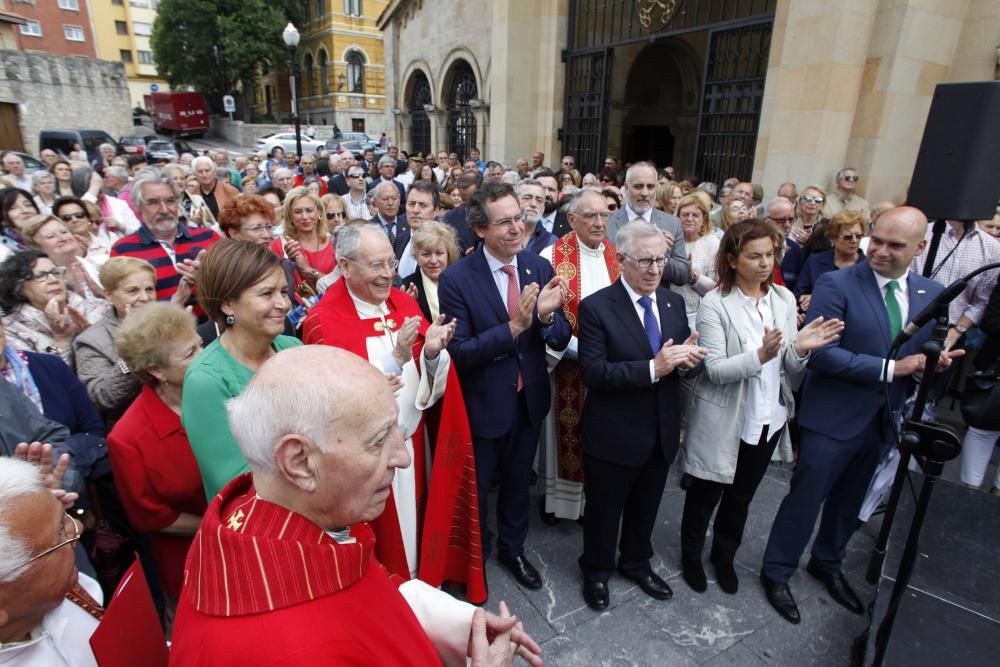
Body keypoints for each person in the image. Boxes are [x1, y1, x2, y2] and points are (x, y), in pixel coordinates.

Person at [169, 346, 542, 666]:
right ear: (299, 462)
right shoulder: (288, 652)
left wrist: (460, 621)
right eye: (379, 440)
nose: (403, 458)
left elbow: (366, 590)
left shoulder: (276, 511)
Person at [760, 206, 958, 624]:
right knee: (806, 497)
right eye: (877, 240)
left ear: (920, 248)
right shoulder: (837, 284)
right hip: (833, 417)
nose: (881, 251)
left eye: (895, 245)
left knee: (851, 501)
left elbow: (917, 352)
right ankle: (777, 571)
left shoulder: (930, 292)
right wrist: (893, 368)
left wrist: (932, 362)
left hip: (883, 420)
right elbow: (822, 355)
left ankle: (827, 563)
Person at [302, 223, 485, 601]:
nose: (387, 274)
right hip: (368, 459)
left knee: (418, 523)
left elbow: (430, 380)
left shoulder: (404, 303)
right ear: (345, 266)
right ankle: (393, 597)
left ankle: (426, 585)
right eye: (375, 266)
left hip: (416, 444)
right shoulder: (323, 322)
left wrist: (432, 354)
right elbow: (332, 403)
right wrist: (395, 358)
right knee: (389, 540)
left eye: (390, 263)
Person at [680, 221, 843, 595]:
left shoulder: (783, 301)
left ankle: (723, 558)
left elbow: (789, 367)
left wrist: (800, 349)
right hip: (723, 418)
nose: (764, 263)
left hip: (767, 417)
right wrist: (760, 355)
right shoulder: (715, 303)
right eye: (754, 256)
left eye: (770, 254)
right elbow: (717, 369)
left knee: (741, 497)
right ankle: (691, 556)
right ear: (733, 260)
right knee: (705, 494)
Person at [438, 181, 571, 590]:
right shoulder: (457, 278)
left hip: (528, 398)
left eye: (520, 218)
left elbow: (561, 335)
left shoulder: (538, 267)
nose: (517, 228)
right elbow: (459, 353)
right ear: (479, 229)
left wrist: (547, 319)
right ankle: (476, 557)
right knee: (477, 490)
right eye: (505, 222)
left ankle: (513, 550)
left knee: (517, 483)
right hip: (483, 404)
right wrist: (515, 326)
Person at [576, 220, 706, 611]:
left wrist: (688, 363)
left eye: (661, 260)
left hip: (661, 430)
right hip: (613, 434)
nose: (654, 269)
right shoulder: (597, 307)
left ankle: (636, 561)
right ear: (621, 260)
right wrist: (655, 367)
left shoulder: (672, 302)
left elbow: (681, 359)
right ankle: (596, 571)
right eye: (645, 260)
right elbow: (593, 373)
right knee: (604, 511)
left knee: (646, 506)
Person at [182, 240, 301, 500]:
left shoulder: (291, 347)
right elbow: (234, 479)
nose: (283, 303)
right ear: (227, 304)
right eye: (266, 294)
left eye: (283, 291)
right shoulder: (206, 379)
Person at [108, 302, 207, 609]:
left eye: (201, 345)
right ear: (156, 370)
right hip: (193, 562)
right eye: (190, 353)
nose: (204, 357)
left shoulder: (219, 393)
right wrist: (221, 525)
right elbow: (150, 516)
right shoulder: (128, 438)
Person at [537, 189, 621, 523]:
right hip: (568, 368)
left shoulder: (617, 255)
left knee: (602, 437)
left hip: (610, 370)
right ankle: (560, 505)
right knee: (564, 438)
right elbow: (549, 316)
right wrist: (585, 353)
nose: (600, 223)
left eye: (604, 215)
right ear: (572, 219)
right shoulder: (551, 257)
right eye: (591, 216)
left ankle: (592, 501)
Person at [0, 457, 102, 667]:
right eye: (59, 535)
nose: (77, 530)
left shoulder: (68, 590)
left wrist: (42, 512)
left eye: (65, 517)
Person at [72, 257, 166, 428]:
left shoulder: (168, 320)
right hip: (138, 426)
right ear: (108, 295)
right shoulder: (90, 340)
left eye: (150, 289)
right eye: (133, 291)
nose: (144, 297)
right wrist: (133, 348)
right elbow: (103, 397)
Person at [111, 171, 219, 304]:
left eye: (170, 201)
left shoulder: (208, 237)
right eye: (153, 202)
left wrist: (209, 278)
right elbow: (126, 308)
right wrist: (174, 304)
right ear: (137, 207)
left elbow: (232, 288)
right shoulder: (123, 251)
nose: (164, 210)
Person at [0, 250, 105, 365]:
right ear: (19, 288)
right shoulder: (12, 330)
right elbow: (44, 374)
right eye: (40, 275)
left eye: (56, 272)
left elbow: (120, 359)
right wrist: (61, 339)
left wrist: (91, 336)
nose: (53, 280)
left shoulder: (94, 307)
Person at [606, 162, 688, 286]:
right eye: (638, 186)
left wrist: (661, 256)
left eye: (650, 187)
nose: (644, 193)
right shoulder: (606, 222)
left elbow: (682, 275)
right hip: (612, 300)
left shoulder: (672, 224)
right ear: (626, 188)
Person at [794, 209, 867, 309]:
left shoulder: (867, 267)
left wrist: (817, 298)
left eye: (859, 236)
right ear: (833, 238)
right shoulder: (815, 262)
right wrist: (805, 299)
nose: (854, 241)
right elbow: (798, 295)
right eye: (847, 237)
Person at [671, 194, 720, 331]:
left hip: (696, 317)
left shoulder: (712, 244)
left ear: (704, 218)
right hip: (667, 311)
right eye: (685, 214)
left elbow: (716, 289)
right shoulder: (670, 241)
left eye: (695, 215)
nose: (690, 219)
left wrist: (692, 275)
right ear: (677, 217)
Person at [402, 221, 460, 322]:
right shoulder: (406, 287)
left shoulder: (462, 282)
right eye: (426, 254)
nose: (433, 261)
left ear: (449, 254)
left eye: (439, 253)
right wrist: (407, 306)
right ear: (416, 256)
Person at [371, 180, 410, 261]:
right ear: (375, 202)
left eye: (394, 198)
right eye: (385, 199)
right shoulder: (368, 228)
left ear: (399, 201)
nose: (390, 203)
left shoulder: (409, 227)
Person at [192, 156, 239, 220]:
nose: (204, 175)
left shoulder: (229, 190)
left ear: (214, 172)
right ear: (195, 174)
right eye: (200, 171)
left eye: (207, 170)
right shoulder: (193, 192)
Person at [517, 178, 555, 254]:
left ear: (543, 208)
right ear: (514, 201)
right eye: (527, 198)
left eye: (539, 200)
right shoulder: (501, 233)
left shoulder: (552, 242)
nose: (533, 204)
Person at [0, 187, 39, 260]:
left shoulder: (51, 233)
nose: (25, 210)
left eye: (28, 205)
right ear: (2, 219)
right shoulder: (3, 250)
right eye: (13, 208)